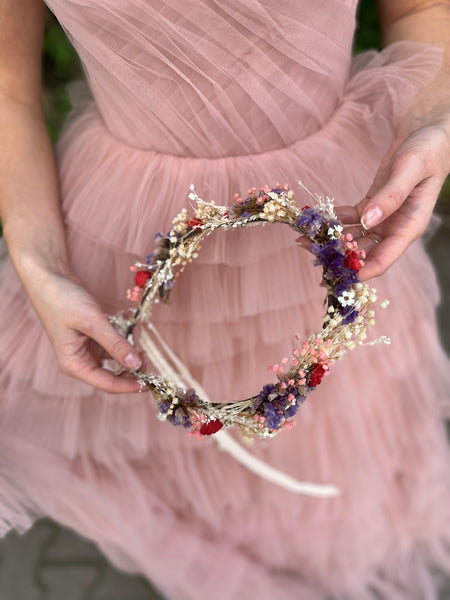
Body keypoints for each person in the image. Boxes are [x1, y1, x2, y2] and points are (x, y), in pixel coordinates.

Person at [0, 0, 449, 598]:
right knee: (174, 451)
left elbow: (422, 9)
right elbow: (8, 87)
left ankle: (323, 550)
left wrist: (436, 118)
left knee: (331, 438)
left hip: (339, 205)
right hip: (129, 227)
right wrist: (39, 262)